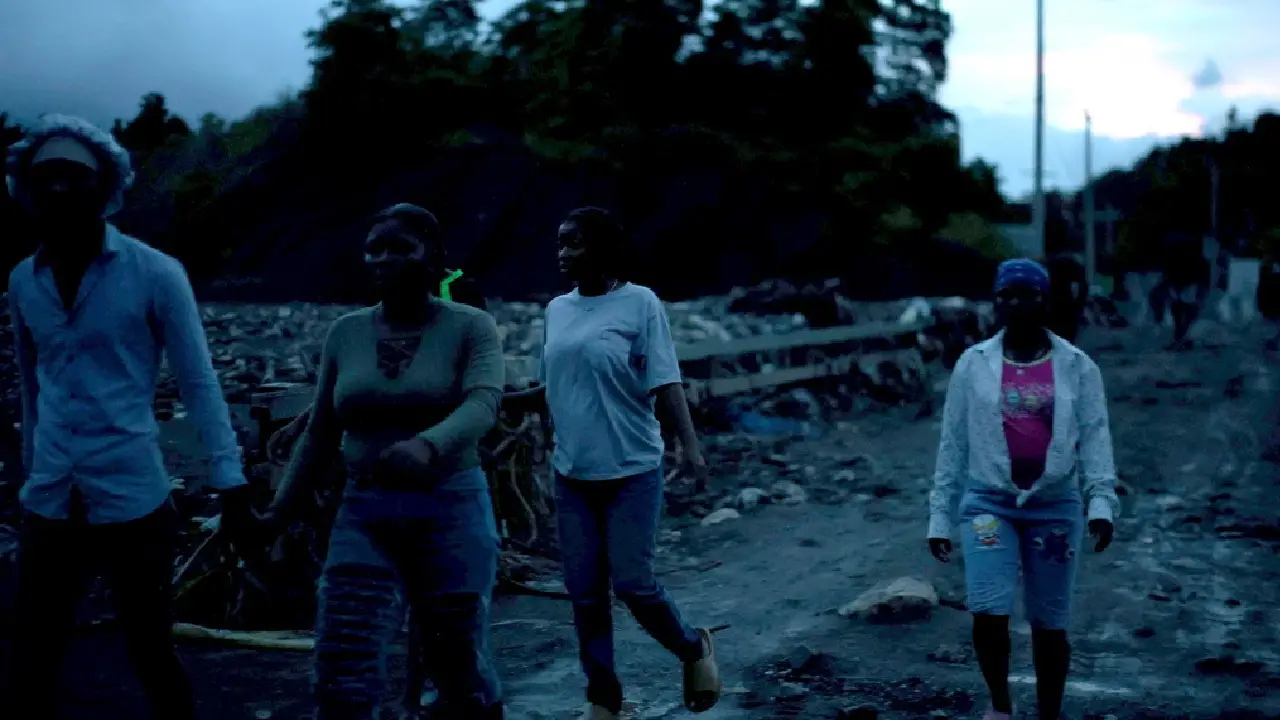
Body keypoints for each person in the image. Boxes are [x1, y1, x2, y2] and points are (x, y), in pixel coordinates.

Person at [2, 115, 255, 719]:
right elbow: (34, 388)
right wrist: (28, 476)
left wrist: (231, 481)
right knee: (33, 654)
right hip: (51, 498)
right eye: (46, 178)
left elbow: (198, 381)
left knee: (150, 650)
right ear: (27, 190)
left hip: (133, 497)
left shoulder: (156, 273)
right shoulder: (22, 280)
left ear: (106, 184)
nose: (60, 189)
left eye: (74, 177)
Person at [265, 202, 505, 720]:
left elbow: (483, 403)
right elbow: (321, 431)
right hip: (364, 510)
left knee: (457, 665)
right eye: (375, 248)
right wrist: (277, 515)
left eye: (401, 247)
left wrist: (428, 445)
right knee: (342, 662)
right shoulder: (345, 333)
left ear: (434, 256)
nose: (384, 258)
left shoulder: (471, 326)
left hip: (452, 506)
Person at [523, 206, 721, 720]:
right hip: (572, 473)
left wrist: (691, 447)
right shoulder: (556, 310)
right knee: (585, 595)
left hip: (632, 467)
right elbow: (556, 384)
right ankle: (604, 699)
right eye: (560, 243)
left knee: (632, 583)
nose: (562, 253)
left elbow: (665, 379)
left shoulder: (640, 304)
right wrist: (507, 403)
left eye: (574, 243)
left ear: (604, 250)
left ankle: (691, 648)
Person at [926, 258, 1119, 720]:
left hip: (1055, 510)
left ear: (1045, 300)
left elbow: (1095, 437)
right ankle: (1001, 706)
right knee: (988, 608)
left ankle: (1049, 713)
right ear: (995, 302)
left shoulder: (1077, 366)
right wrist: (939, 515)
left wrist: (1101, 505)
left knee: (1049, 623)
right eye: (1006, 295)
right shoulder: (973, 365)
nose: (1016, 304)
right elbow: (952, 442)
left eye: (1027, 294)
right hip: (989, 507)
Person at [1160, 233, 1210, 349]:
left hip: (1186, 278)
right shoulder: (1175, 255)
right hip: (1182, 278)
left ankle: (1180, 336)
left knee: (1184, 308)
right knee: (1181, 308)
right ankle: (1180, 336)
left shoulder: (1193, 257)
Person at [1044, 252, 1088, 343]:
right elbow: (1081, 291)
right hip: (1067, 312)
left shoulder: (1050, 273)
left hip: (1056, 311)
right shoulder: (1075, 273)